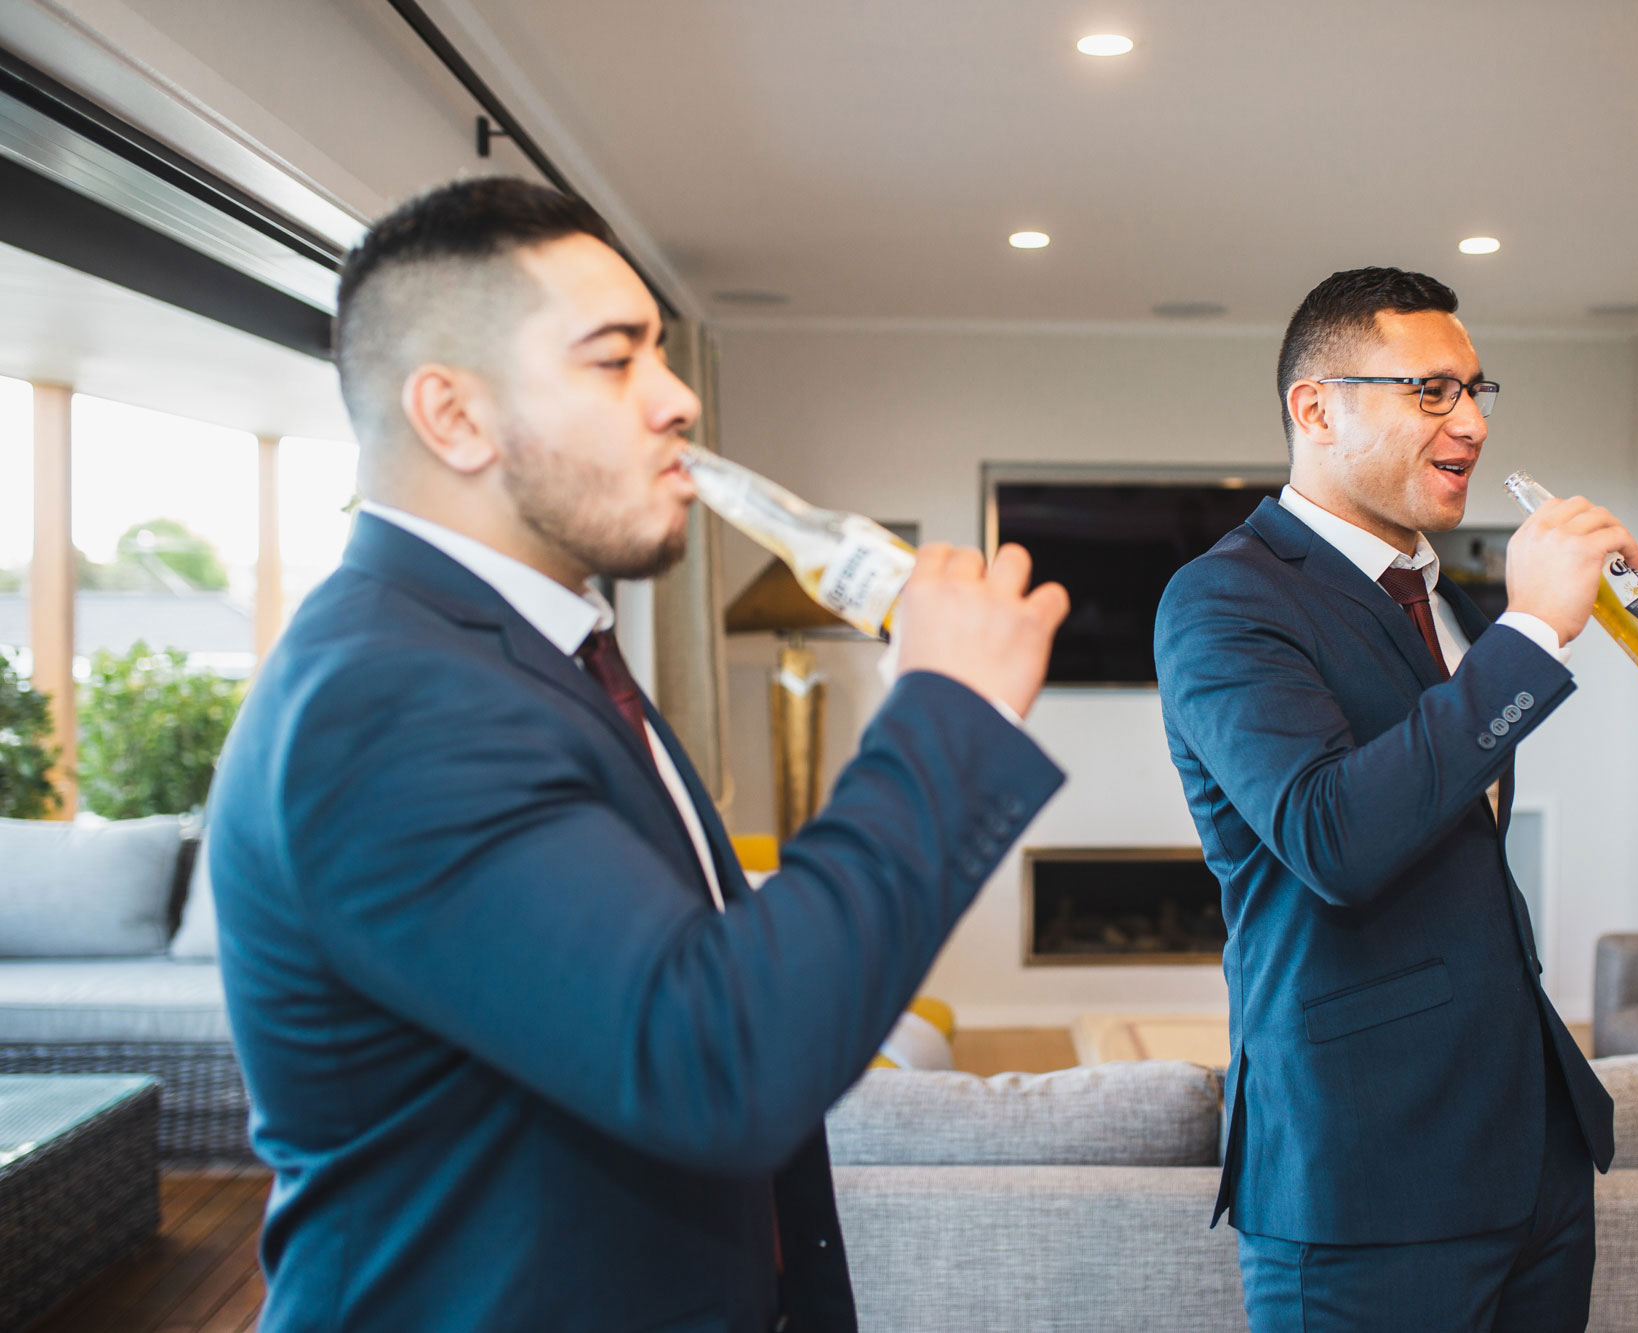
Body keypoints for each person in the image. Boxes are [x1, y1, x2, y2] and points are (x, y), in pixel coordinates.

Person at [205, 177, 1069, 1333]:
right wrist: (946, 708)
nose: (676, 400)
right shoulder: (388, 695)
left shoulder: (542, 651)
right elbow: (715, 1056)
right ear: (453, 415)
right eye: (615, 360)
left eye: (662, 353)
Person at [1154, 267, 1624, 1331]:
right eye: (1429, 391)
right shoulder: (1223, 597)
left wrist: (1514, 631)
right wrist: (1532, 635)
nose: (1468, 422)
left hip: (1532, 1159)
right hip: (1365, 1172)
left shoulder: (1442, 598)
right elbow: (1332, 835)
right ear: (1312, 407)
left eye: (1474, 391)